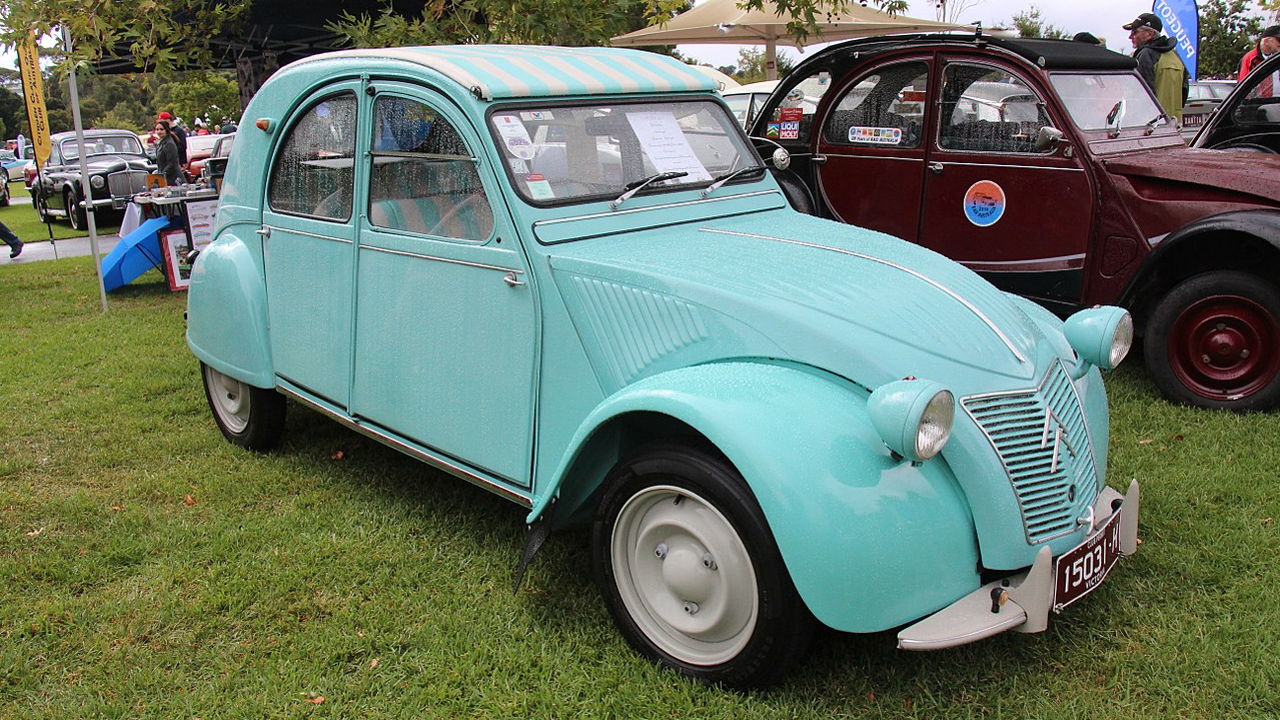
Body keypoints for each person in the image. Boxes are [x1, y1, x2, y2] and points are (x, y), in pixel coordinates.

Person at [1124, 12, 1188, 122]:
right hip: (1174, 123)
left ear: (1150, 34)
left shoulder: (1145, 55)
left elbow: (1141, 94)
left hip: (1150, 126)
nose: (1130, 36)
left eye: (1135, 32)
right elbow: (1184, 92)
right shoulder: (1176, 56)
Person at [154, 120, 184, 186]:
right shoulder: (161, 143)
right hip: (166, 179)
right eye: (157, 129)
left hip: (174, 180)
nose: (159, 131)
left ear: (166, 130)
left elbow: (172, 163)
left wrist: (162, 175)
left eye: (161, 129)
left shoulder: (169, 143)